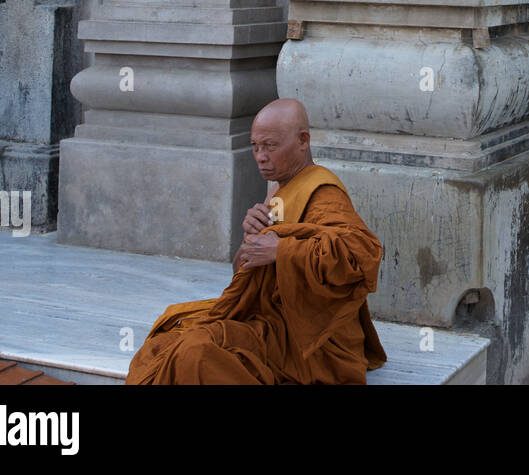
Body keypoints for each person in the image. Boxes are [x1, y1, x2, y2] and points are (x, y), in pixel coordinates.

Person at [127, 99, 386, 384]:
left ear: (303, 140)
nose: (260, 156)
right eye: (255, 146)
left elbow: (361, 255)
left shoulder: (323, 192)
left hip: (310, 342)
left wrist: (281, 249)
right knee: (168, 338)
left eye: (270, 146)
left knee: (196, 353)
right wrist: (250, 242)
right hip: (269, 324)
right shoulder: (280, 191)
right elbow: (244, 275)